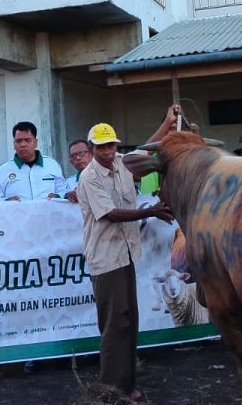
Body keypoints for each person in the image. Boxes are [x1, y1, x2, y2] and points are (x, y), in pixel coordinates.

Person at [76, 122, 173, 401]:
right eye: (101, 146)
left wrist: (167, 123)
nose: (107, 151)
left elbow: (145, 149)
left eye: (111, 145)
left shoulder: (121, 163)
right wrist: (151, 211)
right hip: (106, 259)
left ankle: (127, 385)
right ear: (92, 148)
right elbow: (109, 215)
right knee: (113, 325)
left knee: (128, 321)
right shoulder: (89, 177)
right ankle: (111, 390)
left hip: (126, 254)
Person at [0, 121, 66, 201]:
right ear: (14, 144)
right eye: (18, 141)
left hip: (49, 213)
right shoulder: (3, 170)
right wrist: (6, 201)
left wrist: (57, 196)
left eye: (28, 140)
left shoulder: (52, 165)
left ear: (36, 142)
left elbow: (63, 191)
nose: (23, 144)